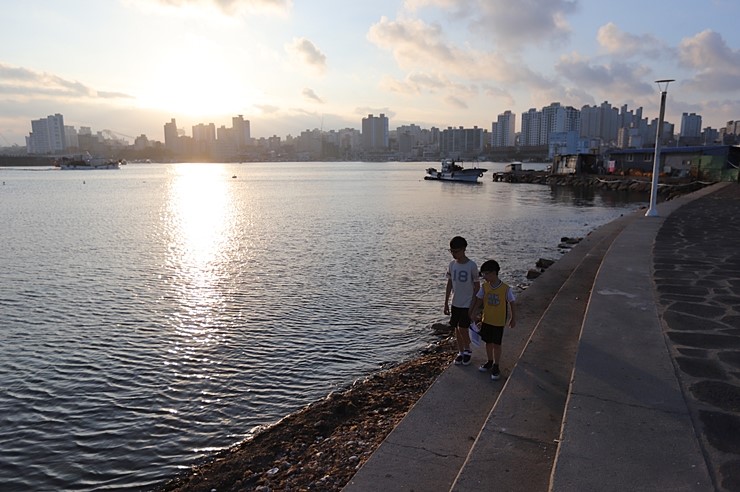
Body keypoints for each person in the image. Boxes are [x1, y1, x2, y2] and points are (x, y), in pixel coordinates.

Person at [469, 259, 516, 380]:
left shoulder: (505, 288)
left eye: (486, 274)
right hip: (487, 320)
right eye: (483, 274)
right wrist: (474, 312)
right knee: (488, 342)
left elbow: (512, 303)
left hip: (499, 321)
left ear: (494, 273)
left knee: (497, 344)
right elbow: (479, 300)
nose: (484, 277)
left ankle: (496, 365)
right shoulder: (485, 287)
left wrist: (513, 318)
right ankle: (489, 361)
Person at [444, 236, 479, 366]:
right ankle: (460, 351)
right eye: (451, 251)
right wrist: (446, 302)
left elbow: (477, 287)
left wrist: (474, 306)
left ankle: (468, 349)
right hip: (455, 302)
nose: (454, 254)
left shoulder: (472, 266)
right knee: (457, 329)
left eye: (456, 251)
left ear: (464, 249)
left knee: (463, 328)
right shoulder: (452, 265)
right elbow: (449, 284)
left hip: (467, 303)